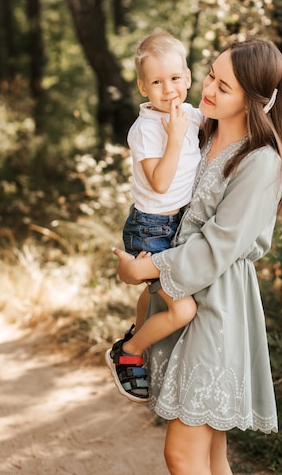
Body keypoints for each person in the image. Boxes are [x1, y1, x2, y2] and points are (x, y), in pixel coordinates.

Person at [112, 38, 282, 475]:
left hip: (219, 304)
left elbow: (221, 244)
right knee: (211, 453)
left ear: (257, 101)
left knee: (182, 454)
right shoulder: (201, 132)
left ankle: (127, 348)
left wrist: (147, 267)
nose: (210, 88)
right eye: (212, 74)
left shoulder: (261, 161)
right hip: (184, 295)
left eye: (226, 86)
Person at [105, 30, 202, 403]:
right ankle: (128, 353)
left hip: (179, 224)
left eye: (176, 79)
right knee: (183, 309)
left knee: (153, 293)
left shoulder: (190, 115)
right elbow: (160, 184)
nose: (169, 89)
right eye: (158, 82)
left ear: (188, 78)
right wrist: (175, 137)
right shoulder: (145, 129)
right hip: (151, 227)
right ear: (143, 88)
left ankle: (138, 334)